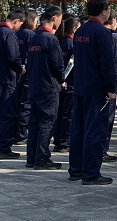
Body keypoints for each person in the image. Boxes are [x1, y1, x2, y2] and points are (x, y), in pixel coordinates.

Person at [68, 0, 117, 185]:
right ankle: (91, 173)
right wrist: (111, 87)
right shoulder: (102, 33)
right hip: (97, 89)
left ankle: (76, 169)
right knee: (95, 131)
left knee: (78, 129)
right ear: (104, 11)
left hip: (81, 86)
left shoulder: (80, 31)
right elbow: (107, 63)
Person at [26, 5, 64, 170]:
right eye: (60, 19)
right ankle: (41, 158)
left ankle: (32, 157)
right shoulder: (51, 39)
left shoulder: (35, 37)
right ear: (54, 18)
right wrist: (62, 79)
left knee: (35, 122)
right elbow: (57, 64)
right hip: (49, 86)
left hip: (35, 85)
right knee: (47, 122)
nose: (60, 23)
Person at [0, 9, 25, 160]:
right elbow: (13, 57)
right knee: (7, 114)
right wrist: (20, 69)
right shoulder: (9, 34)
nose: (19, 28)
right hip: (7, 80)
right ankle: (3, 148)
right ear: (16, 21)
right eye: (20, 25)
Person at [53, 13, 80, 153]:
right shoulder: (72, 44)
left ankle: (58, 140)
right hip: (71, 82)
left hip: (62, 82)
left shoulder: (61, 42)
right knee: (68, 114)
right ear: (74, 29)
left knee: (60, 114)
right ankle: (64, 142)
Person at [102, 8, 117, 162]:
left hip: (88, 86)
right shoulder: (110, 37)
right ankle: (102, 150)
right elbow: (112, 64)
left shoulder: (85, 32)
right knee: (106, 119)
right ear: (112, 20)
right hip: (106, 86)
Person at [15, 8, 36, 143]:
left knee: (17, 103)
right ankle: (22, 133)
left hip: (17, 71)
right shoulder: (31, 35)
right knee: (26, 105)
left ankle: (15, 131)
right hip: (28, 73)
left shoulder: (16, 33)